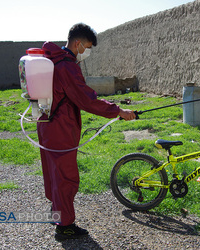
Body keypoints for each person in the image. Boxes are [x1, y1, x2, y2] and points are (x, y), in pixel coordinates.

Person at [37, 23, 136, 241]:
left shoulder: (55, 60)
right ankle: (65, 227)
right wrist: (118, 110)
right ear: (78, 43)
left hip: (47, 125)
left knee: (54, 174)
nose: (87, 52)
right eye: (87, 47)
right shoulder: (67, 66)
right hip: (60, 128)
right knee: (65, 177)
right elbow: (86, 100)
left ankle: (58, 214)